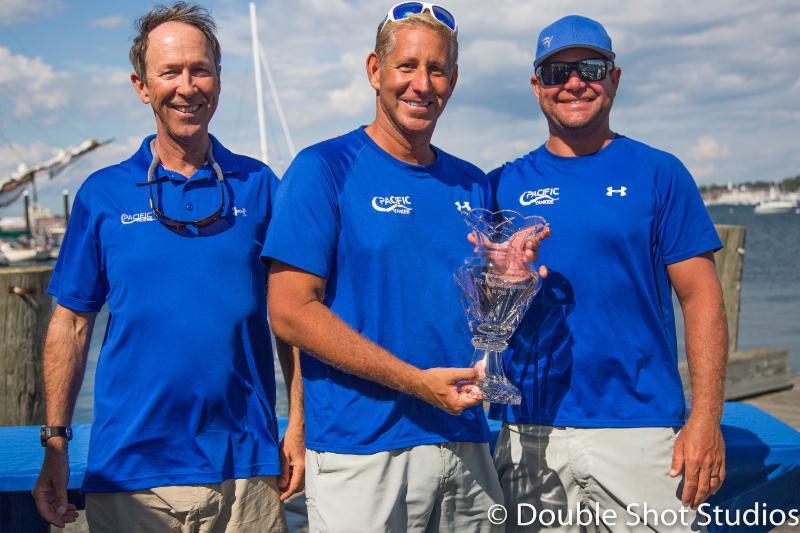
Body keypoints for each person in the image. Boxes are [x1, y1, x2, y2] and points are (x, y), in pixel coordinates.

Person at [31, 3, 303, 531]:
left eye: (200, 70)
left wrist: (298, 425)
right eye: (170, 72)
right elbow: (71, 323)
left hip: (245, 472)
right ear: (141, 85)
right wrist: (56, 441)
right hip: (131, 473)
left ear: (219, 78)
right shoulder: (103, 194)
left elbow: (290, 319)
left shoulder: (260, 186)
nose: (187, 86)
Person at [264, 3, 504, 531]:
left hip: (466, 440)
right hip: (362, 453)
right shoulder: (323, 168)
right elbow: (288, 313)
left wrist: (513, 280)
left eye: (437, 69)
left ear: (454, 79)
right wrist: (416, 383)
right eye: (407, 66)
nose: (422, 83)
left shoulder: (472, 183)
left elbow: (476, 309)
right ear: (375, 71)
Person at [489, 15, 728, 532]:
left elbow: (702, 298)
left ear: (614, 78)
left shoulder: (659, 173)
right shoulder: (501, 185)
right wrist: (499, 288)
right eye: (556, 72)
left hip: (641, 431)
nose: (574, 82)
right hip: (532, 432)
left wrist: (705, 418)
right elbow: (474, 310)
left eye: (590, 68)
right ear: (537, 87)